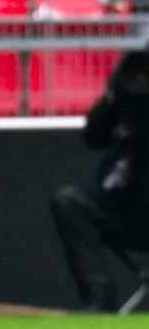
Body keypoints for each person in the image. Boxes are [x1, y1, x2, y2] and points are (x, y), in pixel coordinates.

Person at [50, 50, 149, 311]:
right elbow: (94, 137)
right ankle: (99, 296)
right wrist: (115, 97)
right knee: (69, 201)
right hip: (133, 209)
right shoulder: (134, 98)